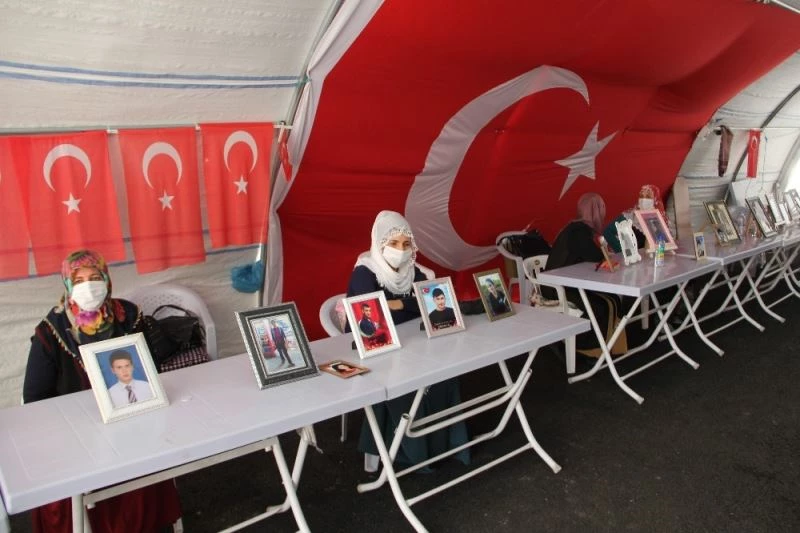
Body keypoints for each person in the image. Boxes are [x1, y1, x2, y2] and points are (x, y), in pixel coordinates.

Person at [22, 249, 182, 533]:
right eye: (79, 280)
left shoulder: (128, 316)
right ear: (67, 285)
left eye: (95, 277)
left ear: (106, 279)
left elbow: (150, 369)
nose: (88, 286)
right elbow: (35, 396)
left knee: (144, 460)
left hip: (130, 420)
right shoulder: (52, 329)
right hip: (76, 431)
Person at [346, 210, 469, 470]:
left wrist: (399, 303)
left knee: (445, 374)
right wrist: (410, 305)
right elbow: (376, 316)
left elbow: (430, 301)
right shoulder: (365, 272)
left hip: (413, 342)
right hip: (373, 349)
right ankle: (407, 452)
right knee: (405, 379)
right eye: (393, 243)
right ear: (379, 243)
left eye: (406, 244)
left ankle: (444, 445)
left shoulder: (416, 271)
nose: (401, 251)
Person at [545, 193, 627, 357]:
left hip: (563, 283)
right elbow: (595, 256)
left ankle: (605, 345)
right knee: (603, 304)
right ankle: (590, 348)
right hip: (557, 289)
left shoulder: (575, 228)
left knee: (611, 300)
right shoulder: (579, 232)